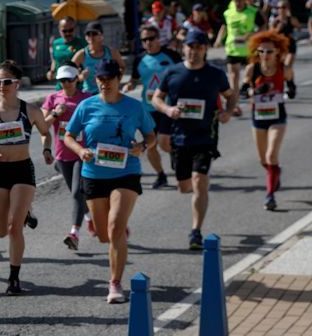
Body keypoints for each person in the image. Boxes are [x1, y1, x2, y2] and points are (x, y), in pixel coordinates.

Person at [63, 60, 155, 303]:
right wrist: (80, 151)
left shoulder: (134, 107)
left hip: (126, 172)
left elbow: (151, 135)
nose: (104, 83)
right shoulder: (86, 106)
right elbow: (68, 136)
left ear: (119, 78)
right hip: (93, 175)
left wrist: (142, 146)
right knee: (104, 236)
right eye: (100, 79)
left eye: (109, 78)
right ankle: (116, 228)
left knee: (114, 228)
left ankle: (115, 283)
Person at [152, 29, 238, 250]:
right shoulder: (173, 72)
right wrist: (168, 109)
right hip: (180, 138)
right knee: (184, 186)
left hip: (205, 137)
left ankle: (195, 231)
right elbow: (156, 98)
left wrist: (228, 112)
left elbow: (231, 95)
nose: (194, 51)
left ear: (205, 49)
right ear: (184, 47)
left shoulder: (215, 74)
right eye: (191, 46)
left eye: (199, 47)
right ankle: (197, 197)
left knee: (200, 180)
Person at [0, 60, 50, 295]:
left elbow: (46, 133)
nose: (2, 86)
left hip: (22, 170)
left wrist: (47, 150)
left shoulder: (31, 110)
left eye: (7, 82)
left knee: (13, 227)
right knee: (0, 230)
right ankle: (24, 210)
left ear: (17, 83)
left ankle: (14, 278)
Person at [42, 64, 93, 250]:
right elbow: (42, 125)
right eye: (62, 80)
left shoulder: (87, 99)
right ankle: (88, 217)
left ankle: (74, 233)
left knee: (77, 191)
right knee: (78, 193)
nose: (66, 83)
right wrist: (56, 113)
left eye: (70, 80)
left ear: (76, 80)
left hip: (82, 153)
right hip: (62, 155)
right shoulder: (53, 98)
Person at [242, 31, 293, 211]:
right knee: (263, 159)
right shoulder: (252, 69)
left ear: (277, 52)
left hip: (278, 117)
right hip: (258, 117)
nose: (265, 55)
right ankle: (275, 171)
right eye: (261, 51)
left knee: (272, 155)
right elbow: (243, 92)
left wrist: (290, 91)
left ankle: (270, 195)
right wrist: (254, 91)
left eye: (269, 52)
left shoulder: (283, 69)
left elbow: (291, 87)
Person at [126, 23, 181, 189]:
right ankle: (161, 175)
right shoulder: (140, 59)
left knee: (165, 142)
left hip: (168, 106)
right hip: (148, 109)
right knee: (150, 144)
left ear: (158, 39)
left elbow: (183, 73)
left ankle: (174, 154)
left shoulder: (171, 55)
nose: (148, 42)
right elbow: (135, 79)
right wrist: (129, 85)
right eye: (144, 40)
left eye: (151, 38)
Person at [216, 0, 260, 112]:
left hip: (250, 50)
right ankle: (234, 105)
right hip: (233, 49)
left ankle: (255, 104)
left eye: (239, 1)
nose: (237, 3)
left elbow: (263, 27)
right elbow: (224, 27)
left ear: (244, 0)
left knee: (252, 78)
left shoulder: (253, 12)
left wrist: (253, 34)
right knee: (233, 77)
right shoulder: (228, 13)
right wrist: (218, 39)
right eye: (235, 1)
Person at [72, 22, 126, 95]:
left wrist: (117, 81)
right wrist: (80, 77)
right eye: (88, 34)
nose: (91, 37)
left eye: (94, 33)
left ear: (102, 36)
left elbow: (122, 67)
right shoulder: (82, 54)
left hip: (108, 92)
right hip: (89, 93)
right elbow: (70, 71)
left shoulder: (112, 52)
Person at [46, 16, 87, 83]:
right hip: (61, 83)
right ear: (59, 29)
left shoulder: (82, 43)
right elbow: (55, 60)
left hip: (78, 83)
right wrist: (51, 71)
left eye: (70, 30)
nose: (68, 33)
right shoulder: (56, 43)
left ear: (75, 28)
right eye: (64, 31)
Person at [270, 0, 300, 67]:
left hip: (290, 45)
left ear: (287, 8)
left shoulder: (291, 19)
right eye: (278, 7)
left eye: (283, 7)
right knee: (280, 67)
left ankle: (290, 77)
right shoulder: (275, 21)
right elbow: (270, 34)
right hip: (279, 46)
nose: (281, 9)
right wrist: (278, 29)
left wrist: (295, 34)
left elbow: (299, 28)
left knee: (288, 65)